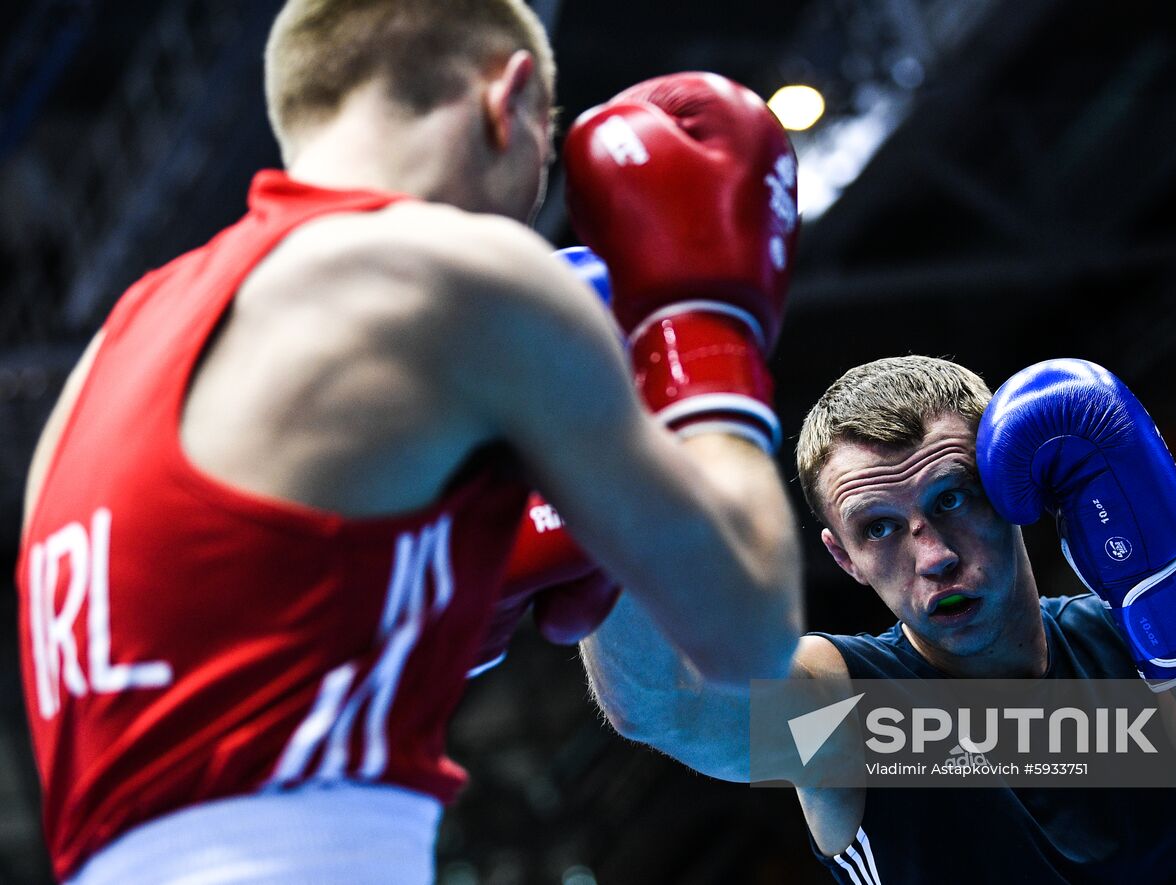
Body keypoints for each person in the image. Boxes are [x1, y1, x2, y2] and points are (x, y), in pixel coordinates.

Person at [16, 0, 805, 880]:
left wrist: (452, 610)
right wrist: (703, 329)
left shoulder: (106, 357)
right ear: (507, 104)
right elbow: (748, 636)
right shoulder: (450, 273)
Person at [581, 354, 1176, 883]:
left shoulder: (1136, 641)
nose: (934, 555)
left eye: (951, 498)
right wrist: (586, 475)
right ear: (842, 556)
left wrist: (1164, 584)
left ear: (1011, 486)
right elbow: (666, 702)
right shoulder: (854, 714)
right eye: (879, 527)